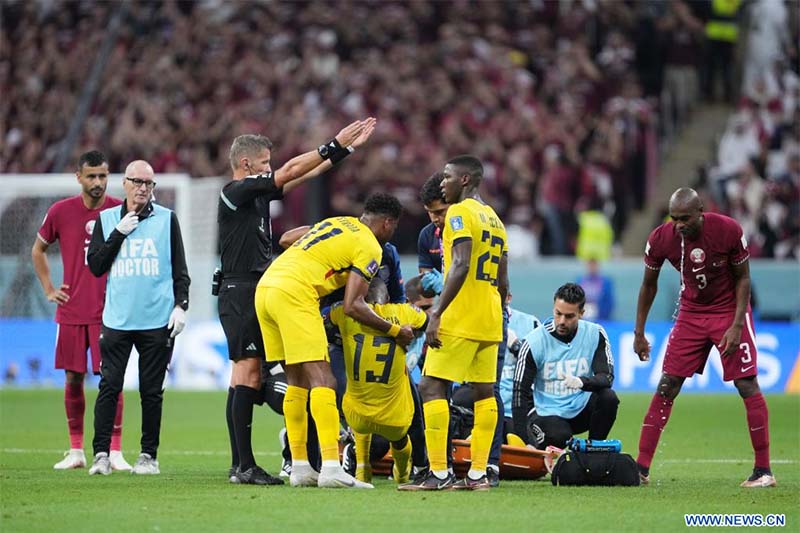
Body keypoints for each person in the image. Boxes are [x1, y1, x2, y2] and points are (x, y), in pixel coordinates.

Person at [219, 118, 375, 485]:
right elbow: (289, 170)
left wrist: (342, 152)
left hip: (255, 289)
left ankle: (245, 464)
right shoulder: (236, 191)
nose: (270, 170)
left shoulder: (254, 195)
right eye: (264, 164)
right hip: (240, 289)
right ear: (246, 165)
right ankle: (243, 465)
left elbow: (297, 175)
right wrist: (332, 142)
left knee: (250, 374)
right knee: (247, 373)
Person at [255, 192, 412, 489]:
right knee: (324, 380)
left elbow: (287, 238)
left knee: (296, 380)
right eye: (393, 228)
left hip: (267, 288)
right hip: (295, 293)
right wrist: (393, 331)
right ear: (387, 223)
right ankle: (330, 467)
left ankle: (300, 467)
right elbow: (354, 305)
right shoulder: (369, 245)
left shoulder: (337, 223)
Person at [633, 187, 775, 488]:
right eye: (674, 219)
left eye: (685, 218)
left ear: (701, 212)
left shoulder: (727, 230)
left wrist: (737, 324)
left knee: (746, 382)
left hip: (727, 310)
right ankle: (640, 469)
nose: (679, 225)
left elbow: (744, 278)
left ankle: (763, 471)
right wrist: (639, 332)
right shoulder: (661, 238)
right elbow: (648, 285)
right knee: (667, 384)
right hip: (691, 313)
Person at [400, 155, 508, 491]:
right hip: (490, 317)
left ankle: (439, 473)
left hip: (460, 316)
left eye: (447, 176)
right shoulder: (494, 218)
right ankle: (478, 475)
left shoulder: (460, 213)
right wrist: (499, 310)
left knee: (430, 386)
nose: (442, 181)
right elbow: (503, 277)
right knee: (484, 392)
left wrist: (436, 313)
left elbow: (459, 265)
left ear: (464, 180)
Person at [86, 160, 190, 476]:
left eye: (149, 183)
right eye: (138, 182)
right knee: (109, 387)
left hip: (156, 320)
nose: (144, 188)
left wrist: (181, 305)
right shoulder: (105, 220)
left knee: (151, 391)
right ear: (125, 184)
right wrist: (118, 233)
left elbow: (180, 270)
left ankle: (148, 456)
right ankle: (101, 454)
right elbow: (96, 266)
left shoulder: (167, 220)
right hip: (117, 320)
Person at [32, 150, 130, 471]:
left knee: (111, 379)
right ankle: (76, 451)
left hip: (109, 311)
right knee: (74, 378)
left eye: (103, 176)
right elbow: (38, 250)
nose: (98, 182)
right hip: (72, 310)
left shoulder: (120, 209)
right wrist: (48, 288)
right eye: (91, 176)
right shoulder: (61, 212)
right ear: (79, 177)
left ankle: (114, 452)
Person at [329, 277, 428, 485]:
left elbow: (322, 317)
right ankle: (402, 475)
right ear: (389, 298)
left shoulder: (344, 314)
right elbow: (429, 322)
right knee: (401, 437)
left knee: (359, 406)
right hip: (395, 421)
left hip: (356, 417)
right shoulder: (404, 313)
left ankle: (362, 471)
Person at [511, 283, 618, 450]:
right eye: (558, 314)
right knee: (560, 436)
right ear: (553, 308)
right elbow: (520, 393)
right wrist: (523, 443)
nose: (561, 321)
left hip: (580, 410)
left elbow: (607, 377)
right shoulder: (534, 342)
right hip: (546, 413)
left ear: (582, 314)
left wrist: (582, 382)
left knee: (608, 398)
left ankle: (593, 452)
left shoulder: (595, 334)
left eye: (569, 316)